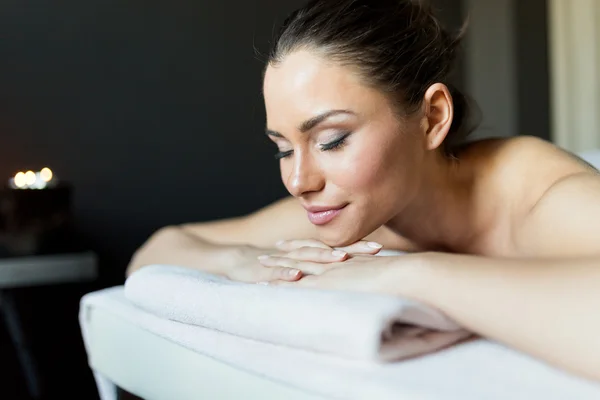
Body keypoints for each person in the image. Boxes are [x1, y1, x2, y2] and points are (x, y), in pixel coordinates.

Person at [126, 0, 600, 383]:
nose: (298, 182)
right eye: (283, 150)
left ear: (432, 116)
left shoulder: (545, 203)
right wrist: (248, 261)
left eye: (332, 140)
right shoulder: (358, 210)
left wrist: (410, 275)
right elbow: (157, 250)